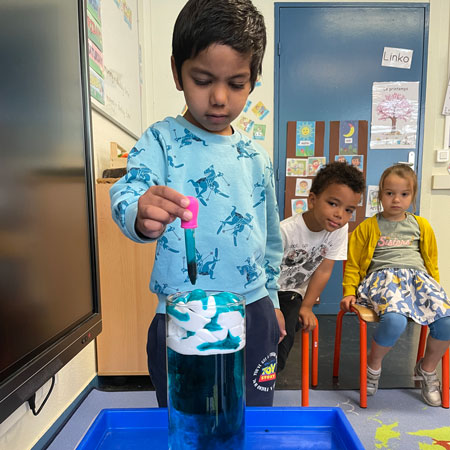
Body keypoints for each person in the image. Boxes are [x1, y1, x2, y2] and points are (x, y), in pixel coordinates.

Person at [110, 0, 285, 407]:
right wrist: (139, 213)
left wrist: (273, 301)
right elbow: (127, 191)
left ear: (254, 80)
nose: (219, 98)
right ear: (177, 72)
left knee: (250, 417)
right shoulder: (160, 140)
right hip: (181, 313)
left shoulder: (257, 158)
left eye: (237, 83)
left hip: (253, 308)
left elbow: (271, 239)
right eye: (203, 80)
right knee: (186, 419)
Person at [341, 164, 450, 406]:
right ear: (380, 195)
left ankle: (427, 369)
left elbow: (431, 262)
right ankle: (373, 365)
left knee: (446, 320)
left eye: (404, 194)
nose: (396, 200)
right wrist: (349, 291)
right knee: (394, 319)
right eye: (389, 193)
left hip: (418, 281)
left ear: (412, 196)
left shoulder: (421, 225)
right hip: (382, 281)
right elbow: (353, 265)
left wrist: (436, 293)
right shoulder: (368, 227)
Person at [277, 162, 365, 372]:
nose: (340, 215)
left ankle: (272, 372)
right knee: (268, 325)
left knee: (288, 324)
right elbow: (263, 272)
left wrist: (307, 306)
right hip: (268, 291)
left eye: (348, 210)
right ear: (312, 200)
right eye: (333, 204)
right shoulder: (285, 231)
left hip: (292, 295)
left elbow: (324, 270)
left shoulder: (338, 231)